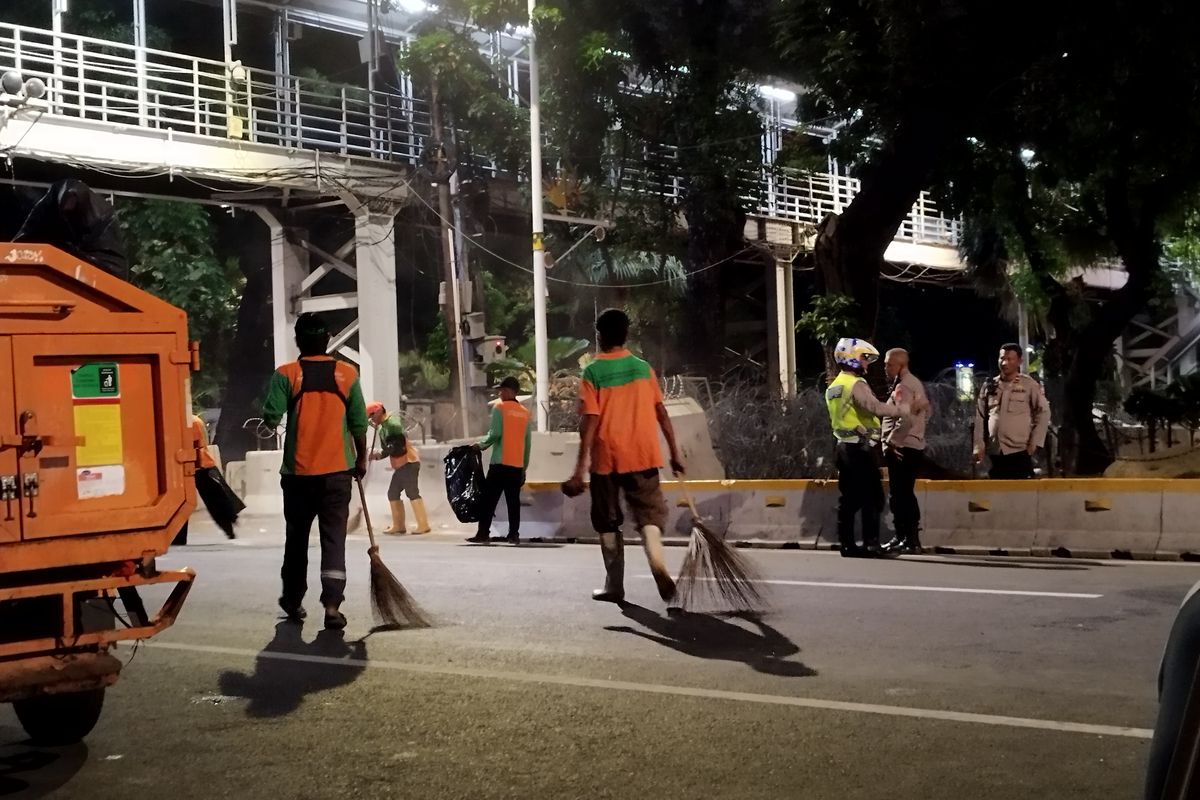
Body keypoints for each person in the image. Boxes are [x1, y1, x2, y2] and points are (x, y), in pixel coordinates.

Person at [564, 309, 685, 604]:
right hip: (644, 454)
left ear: (600, 335)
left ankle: (614, 585)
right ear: (626, 334)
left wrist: (579, 469)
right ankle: (657, 563)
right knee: (649, 515)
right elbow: (661, 413)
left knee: (607, 521)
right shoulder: (644, 369)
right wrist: (675, 453)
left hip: (606, 459)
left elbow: (590, 422)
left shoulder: (592, 372)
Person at [262, 314, 368, 631]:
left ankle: (293, 600)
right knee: (333, 540)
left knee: (296, 541)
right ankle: (333, 606)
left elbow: (270, 416)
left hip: (298, 476)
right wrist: (360, 460)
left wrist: (274, 417)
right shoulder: (347, 374)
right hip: (337, 474)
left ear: (298, 340)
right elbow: (359, 423)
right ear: (328, 339)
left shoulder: (286, 374)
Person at [825, 337, 916, 558]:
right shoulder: (856, 384)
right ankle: (870, 544)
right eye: (864, 358)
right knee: (873, 497)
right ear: (852, 359)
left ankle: (847, 545)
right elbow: (874, 407)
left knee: (849, 498)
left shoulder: (835, 385)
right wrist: (902, 410)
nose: (867, 363)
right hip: (859, 449)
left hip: (842, 447)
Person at [467, 376, 532, 546]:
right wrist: (524, 468)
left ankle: (483, 533)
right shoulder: (525, 413)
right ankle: (513, 535)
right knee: (513, 502)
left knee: (489, 500)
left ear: (510, 391)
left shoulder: (500, 408)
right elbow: (527, 444)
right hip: (516, 465)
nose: (499, 392)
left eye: (502, 389)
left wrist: (480, 445)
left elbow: (495, 433)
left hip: (499, 464)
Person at [973, 343, 1050, 479]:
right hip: (995, 452)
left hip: (1019, 451)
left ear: (1019, 361)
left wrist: (1035, 442)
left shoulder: (1029, 385)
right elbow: (980, 417)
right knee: (997, 495)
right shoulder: (990, 386)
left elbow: (1043, 412)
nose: (1004, 362)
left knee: (1020, 495)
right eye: (1002, 358)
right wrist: (979, 445)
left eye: (1010, 359)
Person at [881, 348, 928, 554]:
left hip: (903, 447)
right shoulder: (913, 383)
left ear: (901, 365)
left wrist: (892, 442)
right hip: (911, 445)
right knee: (903, 493)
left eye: (889, 364)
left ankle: (907, 538)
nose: (885, 367)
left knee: (901, 494)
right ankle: (905, 538)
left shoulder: (903, 386)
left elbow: (905, 418)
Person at [172, 414, 244, 545]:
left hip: (195, 465)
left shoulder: (189, 422)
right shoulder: (193, 421)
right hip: (201, 465)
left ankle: (178, 538)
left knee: (181, 503)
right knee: (216, 498)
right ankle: (230, 522)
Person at [366, 401, 431, 536]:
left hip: (408, 462)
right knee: (393, 493)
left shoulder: (392, 425)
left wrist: (385, 450)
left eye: (372, 416)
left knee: (412, 492)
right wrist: (377, 455)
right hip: (401, 465)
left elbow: (397, 446)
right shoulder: (383, 427)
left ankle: (423, 525)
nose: (371, 420)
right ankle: (399, 525)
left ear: (378, 412)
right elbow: (387, 449)